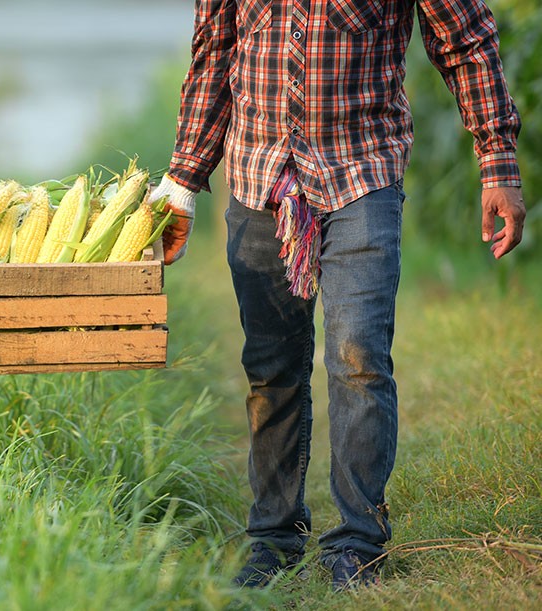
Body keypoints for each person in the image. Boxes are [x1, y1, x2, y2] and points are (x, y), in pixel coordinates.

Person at [148, 0, 526, 591]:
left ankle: (357, 542)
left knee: (359, 358)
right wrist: (183, 179)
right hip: (260, 173)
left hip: (361, 169)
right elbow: (214, 54)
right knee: (270, 365)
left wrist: (497, 161)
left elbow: (465, 40)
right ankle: (273, 537)